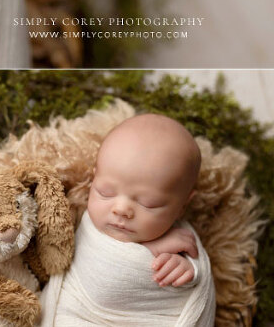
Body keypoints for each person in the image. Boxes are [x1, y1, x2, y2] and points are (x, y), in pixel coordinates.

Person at [40, 114, 216, 326]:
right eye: (105, 192)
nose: (121, 209)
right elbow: (102, 282)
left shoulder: (182, 243)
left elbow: (196, 289)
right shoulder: (80, 220)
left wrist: (186, 271)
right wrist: (151, 249)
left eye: (149, 203)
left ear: (182, 206)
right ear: (93, 179)